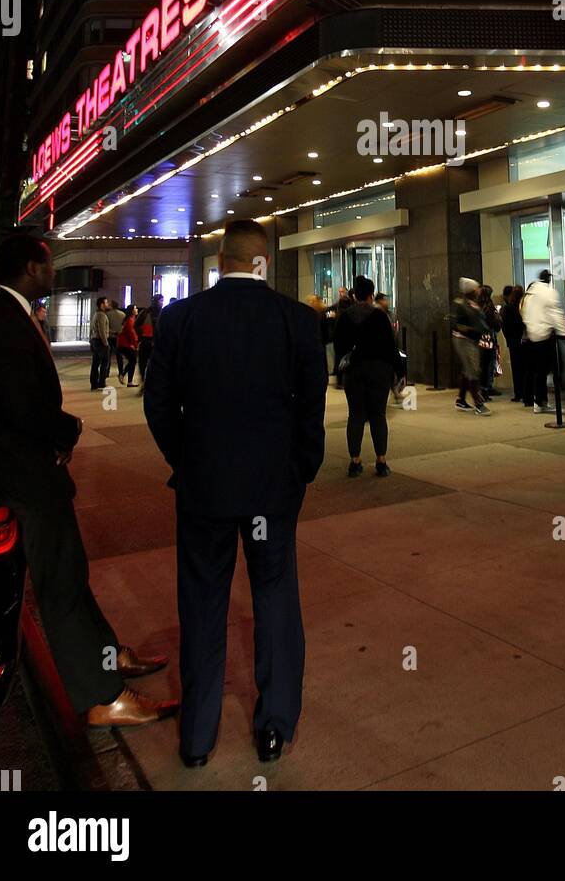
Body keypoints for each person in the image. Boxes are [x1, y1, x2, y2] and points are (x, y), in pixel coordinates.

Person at [143, 220, 327, 768]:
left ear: (221, 262)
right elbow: (309, 411)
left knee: (201, 603)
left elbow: (158, 404)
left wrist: (187, 459)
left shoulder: (181, 319)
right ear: (264, 262)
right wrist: (301, 470)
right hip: (273, 490)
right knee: (274, 597)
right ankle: (274, 726)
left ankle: (197, 738)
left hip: (204, 490)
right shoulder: (297, 320)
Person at [0, 234, 176, 726]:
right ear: (31, 267)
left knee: (72, 575)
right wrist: (70, 429)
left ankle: (108, 657)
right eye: (48, 263)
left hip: (30, 472)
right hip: (26, 477)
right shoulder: (2, 322)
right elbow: (22, 405)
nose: (54, 271)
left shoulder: (5, 314)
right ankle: (102, 695)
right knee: (60, 586)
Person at [334, 276, 402, 476]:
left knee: (355, 416)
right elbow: (391, 347)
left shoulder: (345, 317)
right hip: (379, 371)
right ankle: (381, 461)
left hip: (354, 371)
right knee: (378, 416)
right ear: (371, 295)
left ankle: (355, 461)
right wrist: (399, 372)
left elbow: (339, 346)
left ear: (355, 295)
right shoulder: (380, 316)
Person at [520, 270, 565, 414]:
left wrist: (531, 330)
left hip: (533, 337)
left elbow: (525, 315)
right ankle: (545, 401)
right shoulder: (548, 292)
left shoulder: (529, 295)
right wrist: (564, 333)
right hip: (546, 336)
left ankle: (539, 401)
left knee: (538, 372)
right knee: (553, 369)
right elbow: (556, 314)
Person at [450, 278, 490, 415]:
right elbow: (459, 326)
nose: (479, 291)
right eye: (477, 289)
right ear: (472, 291)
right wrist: (474, 330)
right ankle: (479, 404)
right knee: (473, 370)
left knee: (468, 370)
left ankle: (461, 400)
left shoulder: (472, 304)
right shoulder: (462, 305)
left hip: (470, 340)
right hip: (464, 341)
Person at [500, 285, 526, 402]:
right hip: (524, 341)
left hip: (513, 342)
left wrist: (509, 339)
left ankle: (518, 393)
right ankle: (527, 392)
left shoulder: (508, 308)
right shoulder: (524, 307)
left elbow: (504, 326)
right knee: (525, 368)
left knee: (516, 368)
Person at [478, 284, 502, 399]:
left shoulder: (477, 304)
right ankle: (486, 388)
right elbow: (493, 321)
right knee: (489, 363)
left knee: (483, 364)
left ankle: (483, 388)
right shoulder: (489, 305)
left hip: (479, 337)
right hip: (488, 336)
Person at [135, 294, 163, 384]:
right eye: (160, 301)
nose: (162, 303)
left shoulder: (162, 312)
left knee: (155, 365)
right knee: (142, 364)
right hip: (146, 342)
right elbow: (136, 325)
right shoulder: (145, 312)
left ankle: (151, 382)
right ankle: (144, 381)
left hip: (157, 343)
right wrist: (142, 333)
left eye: (162, 301)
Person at [89, 296, 111, 391]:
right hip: (100, 341)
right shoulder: (101, 315)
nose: (107, 304)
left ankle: (94, 384)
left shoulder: (96, 314)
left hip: (95, 340)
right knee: (105, 362)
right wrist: (106, 343)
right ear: (102, 304)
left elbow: (92, 329)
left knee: (95, 362)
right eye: (106, 303)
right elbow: (102, 330)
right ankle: (101, 382)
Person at [116, 304, 140, 387]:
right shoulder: (130, 320)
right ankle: (123, 375)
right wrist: (135, 345)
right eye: (135, 308)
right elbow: (131, 333)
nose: (137, 310)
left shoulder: (130, 319)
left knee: (132, 361)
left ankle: (127, 379)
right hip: (125, 344)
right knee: (133, 361)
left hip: (124, 344)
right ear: (132, 311)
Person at [107, 300, 125, 379]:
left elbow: (107, 327)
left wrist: (112, 331)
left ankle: (106, 372)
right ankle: (121, 371)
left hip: (110, 337)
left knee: (108, 355)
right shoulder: (122, 314)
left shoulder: (107, 315)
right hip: (119, 337)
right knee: (119, 355)